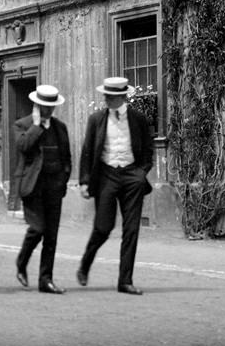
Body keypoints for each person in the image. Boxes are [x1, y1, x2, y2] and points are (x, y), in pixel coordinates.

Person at [77, 76, 154, 295]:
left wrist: (141, 174)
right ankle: (85, 262)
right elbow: (88, 151)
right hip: (106, 175)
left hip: (132, 176)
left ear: (121, 96)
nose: (106, 99)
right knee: (103, 227)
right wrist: (84, 181)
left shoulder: (138, 119)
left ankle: (125, 281)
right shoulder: (96, 119)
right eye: (105, 95)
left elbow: (148, 150)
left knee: (131, 230)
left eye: (110, 96)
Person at [13, 84, 71, 294]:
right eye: (45, 107)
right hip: (33, 187)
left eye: (51, 107)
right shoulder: (22, 125)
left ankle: (45, 280)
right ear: (36, 105)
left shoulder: (60, 127)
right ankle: (22, 261)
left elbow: (67, 157)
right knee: (38, 229)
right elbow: (23, 147)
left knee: (51, 235)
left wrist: (64, 178)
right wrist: (37, 126)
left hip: (54, 187)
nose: (48, 111)